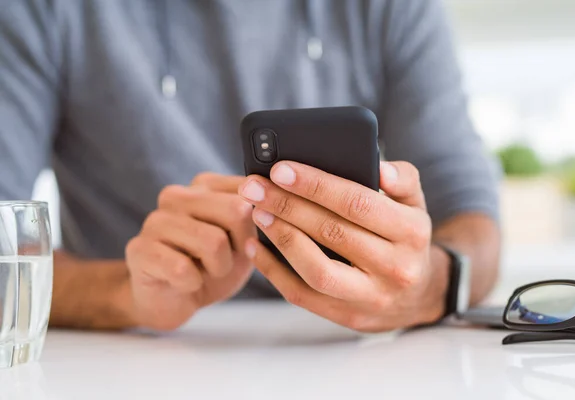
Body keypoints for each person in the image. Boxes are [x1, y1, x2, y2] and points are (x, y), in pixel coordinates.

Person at [0, 0, 500, 332]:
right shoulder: (44, 10)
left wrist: (431, 284)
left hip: (354, 356)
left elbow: (472, 217)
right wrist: (125, 294)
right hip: (138, 352)